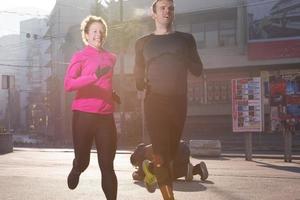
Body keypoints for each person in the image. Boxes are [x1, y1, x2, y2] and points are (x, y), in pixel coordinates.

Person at [134, 0, 203, 199]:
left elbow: (197, 70)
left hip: (178, 103)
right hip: (154, 102)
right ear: (153, 13)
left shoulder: (186, 40)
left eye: (170, 8)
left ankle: (150, 169)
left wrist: (182, 56)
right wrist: (141, 85)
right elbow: (137, 74)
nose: (167, 11)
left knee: (170, 154)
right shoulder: (143, 43)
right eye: (162, 7)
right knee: (161, 155)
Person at [64, 15, 120, 200]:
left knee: (107, 165)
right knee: (84, 161)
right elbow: (69, 84)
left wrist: (112, 94)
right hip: (83, 115)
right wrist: (93, 76)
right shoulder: (80, 56)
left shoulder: (111, 58)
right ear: (86, 35)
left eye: (101, 31)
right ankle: (77, 167)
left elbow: (106, 82)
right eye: (94, 31)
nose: (98, 34)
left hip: (105, 116)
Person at [130, 140, 209, 183]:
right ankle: (198, 168)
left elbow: (138, 176)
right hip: (183, 146)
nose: (138, 167)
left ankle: (186, 170)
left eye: (136, 166)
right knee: (167, 167)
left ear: (135, 161)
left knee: (166, 174)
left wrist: (135, 173)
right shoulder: (143, 148)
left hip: (177, 152)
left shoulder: (140, 156)